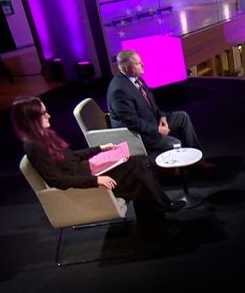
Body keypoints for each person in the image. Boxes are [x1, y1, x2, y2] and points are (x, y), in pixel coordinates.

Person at [11, 96, 182, 232]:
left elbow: (71, 157)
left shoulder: (44, 135)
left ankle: (155, 219)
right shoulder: (33, 146)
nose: (48, 115)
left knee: (135, 164)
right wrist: (96, 181)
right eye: (43, 113)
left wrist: (100, 148)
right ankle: (163, 209)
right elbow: (57, 181)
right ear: (31, 119)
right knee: (136, 168)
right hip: (84, 185)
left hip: (87, 172)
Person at [107, 50, 207, 162]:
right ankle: (179, 168)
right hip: (141, 134)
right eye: (137, 63)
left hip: (152, 120)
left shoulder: (136, 77)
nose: (142, 65)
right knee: (176, 144)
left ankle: (196, 160)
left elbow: (151, 102)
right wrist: (157, 129)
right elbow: (132, 122)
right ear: (127, 68)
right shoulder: (119, 91)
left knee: (182, 117)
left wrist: (162, 116)